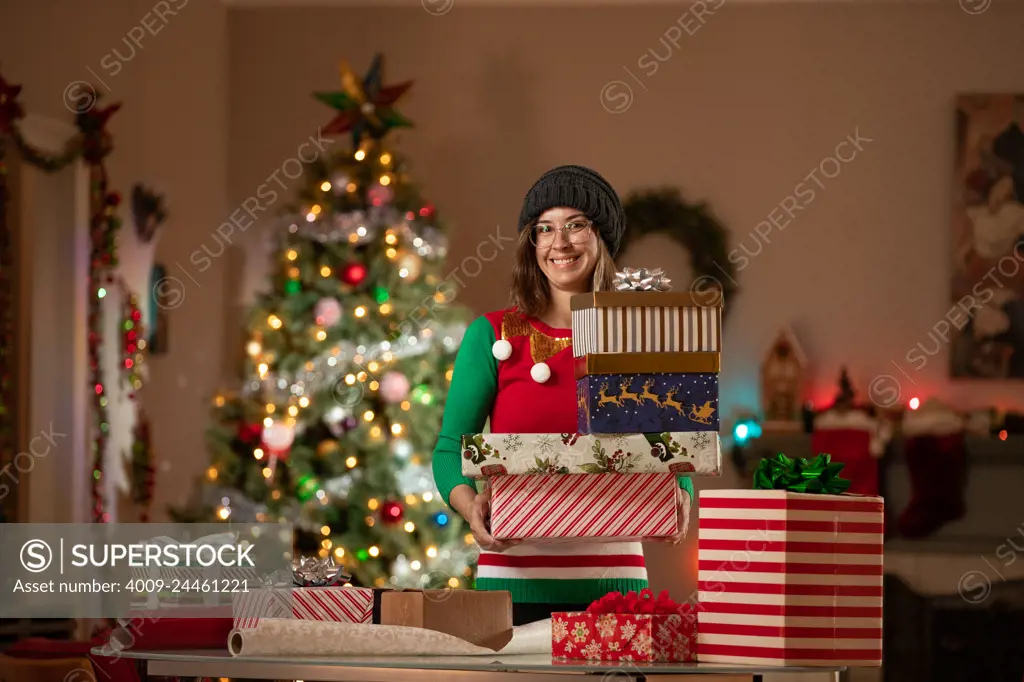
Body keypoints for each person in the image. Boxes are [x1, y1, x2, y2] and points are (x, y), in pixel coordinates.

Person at [431, 165, 694, 626]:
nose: (561, 243)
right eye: (545, 229)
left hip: (614, 578)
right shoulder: (490, 335)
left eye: (576, 225)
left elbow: (673, 440)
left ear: (602, 238)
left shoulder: (637, 334)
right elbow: (451, 447)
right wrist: (468, 504)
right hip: (512, 581)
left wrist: (684, 490)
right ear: (531, 243)